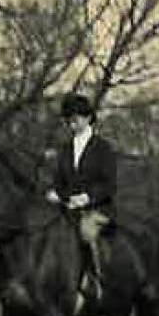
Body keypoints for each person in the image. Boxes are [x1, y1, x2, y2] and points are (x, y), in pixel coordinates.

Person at [45, 91, 117, 298]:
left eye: (74, 119)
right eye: (68, 120)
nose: (71, 124)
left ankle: (95, 280)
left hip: (98, 209)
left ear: (88, 117)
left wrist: (87, 197)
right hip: (69, 210)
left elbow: (109, 184)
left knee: (86, 231)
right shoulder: (65, 149)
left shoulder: (103, 148)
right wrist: (56, 194)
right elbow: (60, 182)